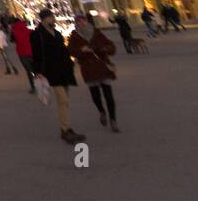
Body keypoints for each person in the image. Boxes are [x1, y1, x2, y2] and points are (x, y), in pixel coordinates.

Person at [30, 8, 86, 145]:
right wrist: (37, 71)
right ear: (44, 19)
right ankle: (65, 130)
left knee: (64, 102)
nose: (53, 19)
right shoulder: (37, 35)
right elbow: (36, 55)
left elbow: (63, 50)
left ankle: (66, 128)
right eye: (51, 17)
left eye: (53, 16)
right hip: (51, 72)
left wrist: (72, 62)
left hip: (64, 70)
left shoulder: (56, 32)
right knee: (63, 100)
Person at [67, 13, 120, 133]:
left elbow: (110, 46)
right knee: (95, 95)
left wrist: (103, 48)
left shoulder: (96, 32)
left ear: (87, 21)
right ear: (76, 23)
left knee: (109, 95)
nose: (81, 23)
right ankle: (101, 111)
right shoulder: (74, 36)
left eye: (83, 21)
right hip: (88, 68)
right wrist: (81, 50)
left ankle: (113, 120)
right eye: (78, 21)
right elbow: (71, 50)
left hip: (102, 66)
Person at [10, 17, 35, 93]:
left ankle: (33, 87)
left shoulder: (13, 31)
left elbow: (12, 40)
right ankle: (41, 84)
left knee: (28, 70)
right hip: (32, 52)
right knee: (35, 69)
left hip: (22, 53)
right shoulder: (29, 31)